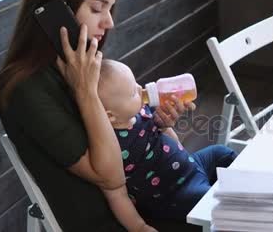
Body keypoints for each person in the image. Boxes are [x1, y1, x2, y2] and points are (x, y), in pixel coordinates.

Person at [0, 0, 229, 231]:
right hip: (127, 219)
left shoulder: (80, 63)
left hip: (161, 185)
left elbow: (136, 128)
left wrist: (162, 123)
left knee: (240, 171)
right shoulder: (25, 89)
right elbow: (111, 177)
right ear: (57, 12)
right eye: (96, 8)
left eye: (109, 9)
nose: (109, 22)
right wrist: (86, 91)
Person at [97, 59, 236, 226]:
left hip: (191, 166)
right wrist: (139, 227)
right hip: (174, 194)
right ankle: (243, 212)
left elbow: (175, 144)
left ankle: (246, 189)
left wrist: (164, 127)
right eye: (133, 93)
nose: (141, 90)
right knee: (209, 202)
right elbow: (116, 194)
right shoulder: (113, 144)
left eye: (136, 83)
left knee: (222, 153)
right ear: (110, 116)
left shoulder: (141, 111)